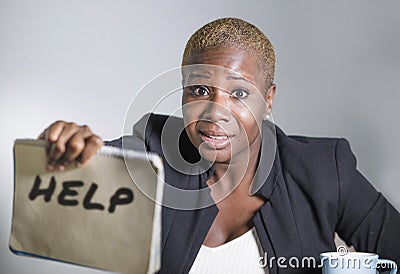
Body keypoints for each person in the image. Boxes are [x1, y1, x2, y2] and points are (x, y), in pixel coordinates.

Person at [38, 18, 400, 274]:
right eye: (199, 90)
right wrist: (68, 154)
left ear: (269, 99)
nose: (215, 112)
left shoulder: (322, 169)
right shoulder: (152, 156)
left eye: (239, 93)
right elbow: (53, 211)